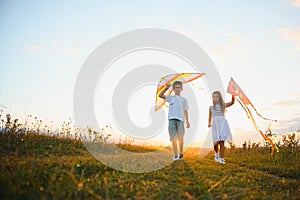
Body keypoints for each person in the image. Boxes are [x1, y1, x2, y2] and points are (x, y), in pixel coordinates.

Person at [159, 81, 190, 161]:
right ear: (173, 89)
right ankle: (175, 155)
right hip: (172, 119)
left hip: (181, 120)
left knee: (181, 138)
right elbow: (160, 95)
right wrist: (166, 87)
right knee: (173, 138)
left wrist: (187, 121)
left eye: (179, 87)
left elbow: (185, 110)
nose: (177, 89)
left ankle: (181, 153)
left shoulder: (184, 99)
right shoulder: (170, 98)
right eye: (175, 87)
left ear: (181, 89)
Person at [208, 91, 235, 164]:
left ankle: (221, 158)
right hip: (215, 125)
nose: (215, 98)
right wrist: (209, 123)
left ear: (219, 98)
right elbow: (210, 117)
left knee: (222, 142)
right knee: (216, 143)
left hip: (223, 124)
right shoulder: (211, 107)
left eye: (216, 97)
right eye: (214, 97)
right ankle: (216, 154)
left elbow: (232, 102)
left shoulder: (223, 105)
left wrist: (233, 94)